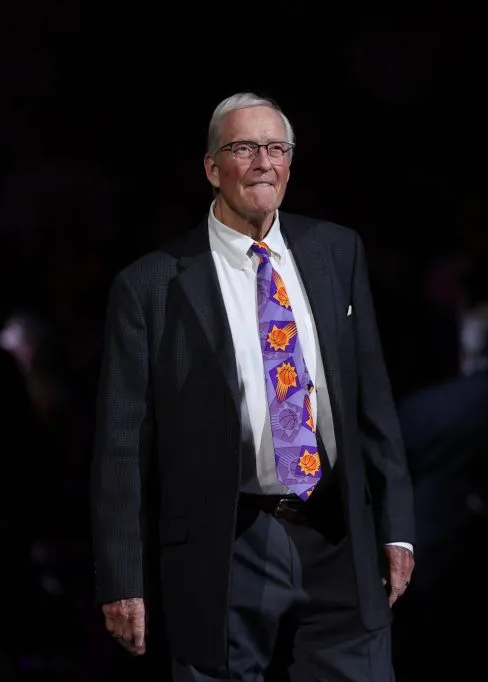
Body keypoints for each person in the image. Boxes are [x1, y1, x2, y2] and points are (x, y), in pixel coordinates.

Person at [90, 92, 414, 681]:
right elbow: (121, 445)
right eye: (243, 148)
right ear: (212, 168)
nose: (263, 162)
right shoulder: (152, 285)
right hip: (228, 541)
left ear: (290, 162)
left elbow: (373, 401)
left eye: (276, 148)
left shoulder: (336, 251)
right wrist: (122, 577)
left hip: (339, 533)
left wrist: (398, 530)